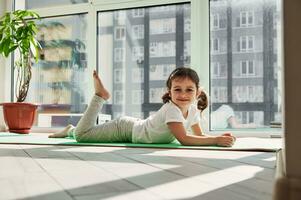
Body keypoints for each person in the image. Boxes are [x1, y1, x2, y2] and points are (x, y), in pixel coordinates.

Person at [49, 67, 235, 147]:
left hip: (136, 126)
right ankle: (100, 96)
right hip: (125, 130)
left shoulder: (192, 110)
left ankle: (70, 130)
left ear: (198, 91)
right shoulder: (172, 109)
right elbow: (185, 139)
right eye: (177, 89)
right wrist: (216, 141)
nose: (183, 95)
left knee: (84, 133)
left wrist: (216, 137)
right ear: (169, 92)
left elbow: (199, 135)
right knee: (83, 137)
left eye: (189, 90)